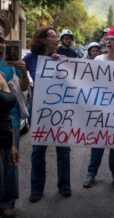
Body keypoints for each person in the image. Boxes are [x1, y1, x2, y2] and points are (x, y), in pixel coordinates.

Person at [23, 27, 71, 203]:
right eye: (52, 37)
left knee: (63, 148)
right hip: (40, 109)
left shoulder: (63, 58)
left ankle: (64, 184)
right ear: (42, 40)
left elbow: (73, 81)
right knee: (38, 150)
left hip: (60, 110)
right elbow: (15, 73)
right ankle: (36, 188)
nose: (56, 39)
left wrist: (61, 64)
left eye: (56, 37)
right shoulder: (30, 58)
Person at [82, 28, 114, 189]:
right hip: (100, 110)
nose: (108, 42)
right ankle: (91, 173)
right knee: (98, 142)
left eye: (113, 39)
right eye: (107, 39)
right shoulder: (98, 60)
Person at [0, 14, 28, 217]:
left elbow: (24, 87)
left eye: (1, 39)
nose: (0, 44)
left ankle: (8, 201)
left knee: (11, 163)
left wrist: (24, 72)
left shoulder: (10, 60)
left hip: (11, 122)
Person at [0, 70, 20, 217]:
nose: (2, 45)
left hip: (5, 140)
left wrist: (12, 145)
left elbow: (7, 114)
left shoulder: (1, 73)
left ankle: (6, 203)